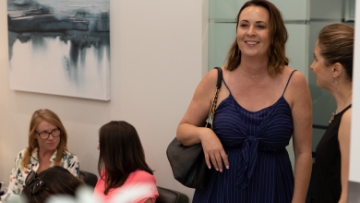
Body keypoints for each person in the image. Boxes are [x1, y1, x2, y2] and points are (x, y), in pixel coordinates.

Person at [176, 0, 312, 202]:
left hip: (273, 191)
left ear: (274, 35)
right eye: (244, 24)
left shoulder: (295, 83)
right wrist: (204, 134)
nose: (250, 32)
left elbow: (303, 153)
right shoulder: (215, 79)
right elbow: (182, 131)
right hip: (219, 192)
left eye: (260, 26)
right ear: (237, 31)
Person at [310, 23, 354, 203]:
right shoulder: (343, 112)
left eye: (316, 59)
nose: (312, 66)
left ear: (336, 69)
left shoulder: (350, 118)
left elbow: (350, 195)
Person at [0, 109, 80, 202]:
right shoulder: (23, 155)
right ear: (34, 135)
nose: (51, 137)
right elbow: (12, 193)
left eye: (54, 131)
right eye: (44, 133)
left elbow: (69, 199)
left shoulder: (70, 161)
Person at [93, 121, 158, 203]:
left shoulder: (143, 179)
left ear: (114, 149)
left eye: (101, 144)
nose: (98, 148)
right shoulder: (106, 172)